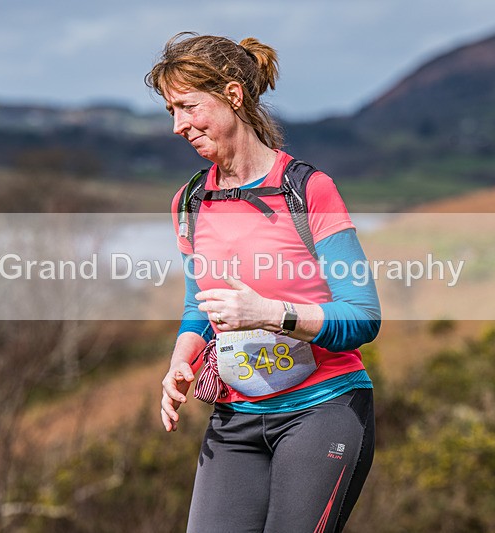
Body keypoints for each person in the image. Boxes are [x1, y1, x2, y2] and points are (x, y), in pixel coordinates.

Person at [146, 32, 381, 533]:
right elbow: (200, 306)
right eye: (170, 111)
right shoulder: (190, 203)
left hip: (323, 409)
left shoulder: (308, 190)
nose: (177, 125)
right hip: (234, 421)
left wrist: (271, 314)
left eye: (187, 107)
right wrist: (181, 360)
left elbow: (363, 316)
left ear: (233, 95)